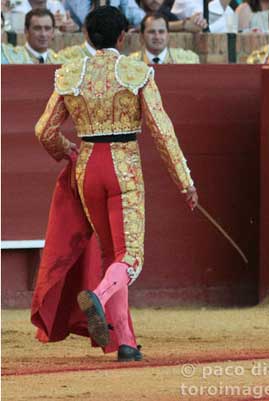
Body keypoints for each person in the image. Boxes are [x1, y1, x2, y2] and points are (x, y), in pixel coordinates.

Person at [33, 5, 198, 362]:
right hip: (123, 167)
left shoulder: (71, 74)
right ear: (123, 37)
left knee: (112, 255)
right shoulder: (137, 72)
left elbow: (43, 130)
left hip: (88, 167)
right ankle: (98, 296)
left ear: (86, 36)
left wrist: (65, 150)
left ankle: (125, 342)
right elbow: (163, 133)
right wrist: (185, 181)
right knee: (131, 258)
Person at [129, 13, 200, 63]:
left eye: (161, 32)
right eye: (151, 32)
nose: (157, 37)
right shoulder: (130, 63)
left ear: (168, 35)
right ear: (142, 36)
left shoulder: (188, 60)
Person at [64, 0, 146, 29]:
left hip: (113, 40)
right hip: (84, 41)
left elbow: (138, 16)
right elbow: (90, 21)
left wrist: (143, 24)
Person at [9, 0, 79, 32]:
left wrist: (71, 27)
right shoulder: (14, 4)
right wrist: (50, 23)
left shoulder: (55, 4)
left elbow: (67, 26)